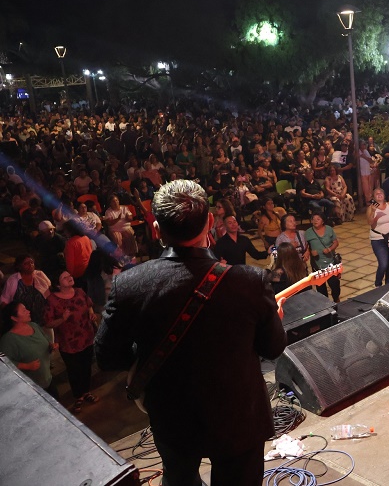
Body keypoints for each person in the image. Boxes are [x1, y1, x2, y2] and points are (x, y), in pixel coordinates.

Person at [95, 179, 287, 486]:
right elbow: (273, 347)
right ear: (210, 222)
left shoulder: (129, 285)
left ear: (156, 229)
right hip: (238, 412)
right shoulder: (250, 281)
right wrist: (273, 319)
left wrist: (149, 348)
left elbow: (107, 356)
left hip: (172, 414)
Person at [44, 270, 99, 413]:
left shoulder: (79, 291)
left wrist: (91, 314)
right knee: (74, 370)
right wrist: (62, 319)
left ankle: (86, 392)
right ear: (58, 284)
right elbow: (48, 323)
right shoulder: (52, 300)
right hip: (68, 342)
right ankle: (78, 396)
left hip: (86, 337)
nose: (70, 278)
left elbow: (89, 305)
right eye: (65, 277)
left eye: (69, 275)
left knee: (86, 367)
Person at [0, 301, 58, 397]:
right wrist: (26, 366)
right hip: (30, 389)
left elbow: (46, 341)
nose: (28, 311)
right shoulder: (9, 340)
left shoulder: (34, 325)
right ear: (14, 318)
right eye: (24, 311)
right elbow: (4, 364)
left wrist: (52, 346)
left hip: (47, 379)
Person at [0, 254, 51, 329]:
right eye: (26, 263)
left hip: (42, 320)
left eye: (31, 262)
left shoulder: (40, 276)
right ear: (19, 266)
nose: (30, 265)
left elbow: (49, 295)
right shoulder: (13, 280)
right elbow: (5, 300)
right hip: (22, 322)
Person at [305, 213, 340, 302]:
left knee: (335, 285)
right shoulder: (308, 232)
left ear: (323, 221)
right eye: (313, 219)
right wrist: (310, 252)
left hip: (330, 262)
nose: (315, 221)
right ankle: (326, 304)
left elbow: (336, 242)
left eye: (318, 219)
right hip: (317, 264)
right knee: (321, 288)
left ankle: (336, 299)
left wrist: (329, 249)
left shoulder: (329, 229)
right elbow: (306, 246)